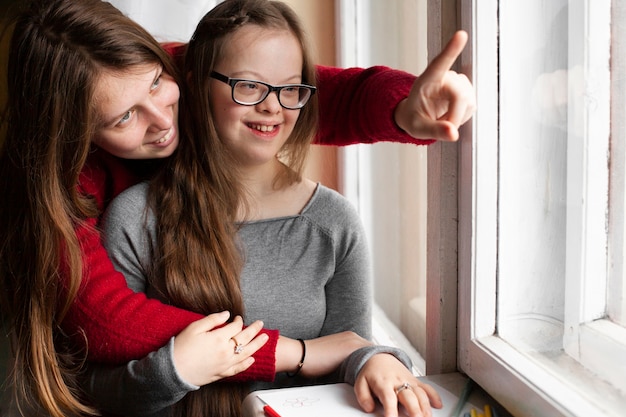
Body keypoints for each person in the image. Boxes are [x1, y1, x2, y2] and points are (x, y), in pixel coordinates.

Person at [0, 0, 474, 416]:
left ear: (172, 69)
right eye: (124, 117)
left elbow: (285, 89)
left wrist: (405, 109)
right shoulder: (77, 198)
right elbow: (106, 324)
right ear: (75, 135)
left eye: (156, 87)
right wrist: (286, 353)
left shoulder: (330, 221)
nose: (164, 121)